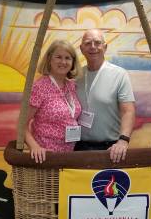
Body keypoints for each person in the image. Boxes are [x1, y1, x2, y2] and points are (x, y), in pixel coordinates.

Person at [75, 29, 135, 163]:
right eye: (88, 43)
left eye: (97, 43)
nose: (93, 47)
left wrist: (123, 141)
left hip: (110, 149)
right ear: (81, 48)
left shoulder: (120, 75)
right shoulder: (75, 76)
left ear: (105, 47)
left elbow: (128, 111)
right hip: (77, 148)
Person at [25, 39, 82, 163]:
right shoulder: (39, 87)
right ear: (49, 59)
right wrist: (34, 147)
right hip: (46, 157)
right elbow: (21, 125)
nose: (63, 62)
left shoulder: (71, 85)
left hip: (69, 156)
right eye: (58, 57)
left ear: (72, 62)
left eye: (67, 58)